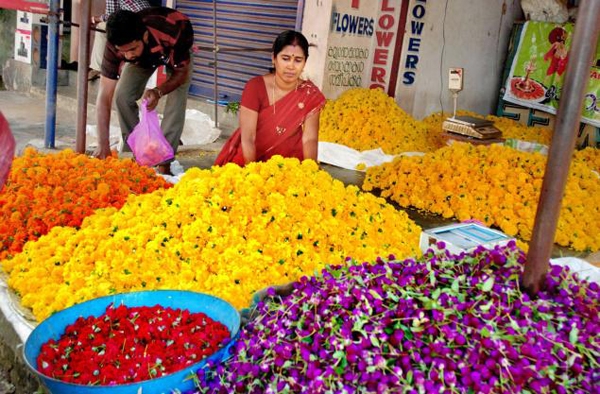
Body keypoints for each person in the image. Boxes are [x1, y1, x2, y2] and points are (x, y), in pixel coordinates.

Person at [94, 7, 194, 175]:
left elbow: (180, 74)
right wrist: (103, 144)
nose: (127, 56)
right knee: (122, 96)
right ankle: (135, 152)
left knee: (177, 97)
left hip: (174, 50)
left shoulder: (174, 28)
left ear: (145, 37)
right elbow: (104, 95)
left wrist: (158, 91)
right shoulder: (116, 42)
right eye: (122, 51)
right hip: (145, 57)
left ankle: (165, 161)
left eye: (132, 49)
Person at [215, 30, 326, 166]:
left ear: (305, 62)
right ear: (273, 58)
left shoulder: (310, 94)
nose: (291, 66)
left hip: (290, 164)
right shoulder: (255, 87)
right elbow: (248, 137)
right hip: (251, 160)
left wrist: (310, 171)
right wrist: (253, 171)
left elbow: (310, 139)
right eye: (285, 58)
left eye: (298, 60)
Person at [89, 0, 152, 81]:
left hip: (136, 25)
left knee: (101, 27)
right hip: (146, 20)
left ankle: (97, 68)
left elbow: (111, 18)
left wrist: (94, 19)